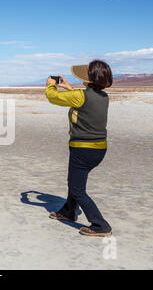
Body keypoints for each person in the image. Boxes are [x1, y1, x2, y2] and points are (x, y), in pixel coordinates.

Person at [46, 60, 113, 237]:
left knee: (77, 189)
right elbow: (84, 98)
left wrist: (50, 87)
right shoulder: (104, 97)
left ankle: (100, 225)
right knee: (76, 181)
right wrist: (69, 88)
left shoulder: (81, 96)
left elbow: (53, 98)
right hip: (99, 149)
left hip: (83, 149)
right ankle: (68, 211)